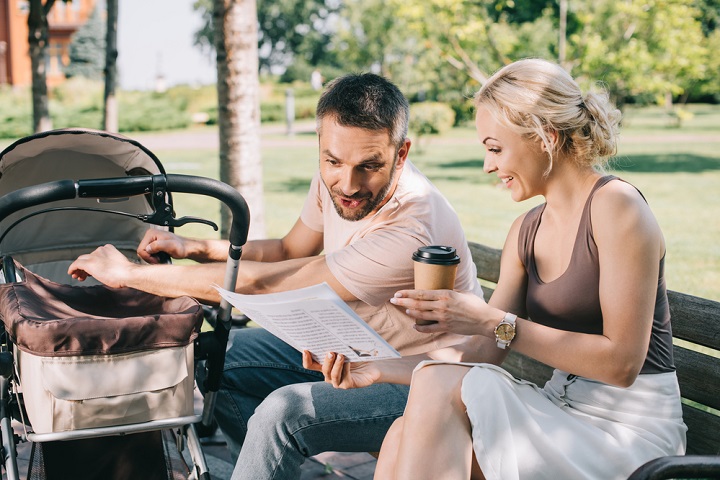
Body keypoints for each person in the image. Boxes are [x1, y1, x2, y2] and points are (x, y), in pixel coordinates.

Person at [68, 73, 483, 479]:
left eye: (369, 166)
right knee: (216, 359)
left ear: (402, 153)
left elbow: (270, 281)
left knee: (282, 414)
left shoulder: (411, 228)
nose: (349, 184)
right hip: (351, 348)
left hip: (424, 380)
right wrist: (195, 247)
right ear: (321, 145)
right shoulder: (335, 182)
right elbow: (288, 251)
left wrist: (128, 274)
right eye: (333, 161)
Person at [306, 58, 687, 479]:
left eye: (494, 147)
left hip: (628, 432)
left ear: (544, 136)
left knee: (424, 412)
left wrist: (493, 321)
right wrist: (377, 368)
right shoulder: (526, 230)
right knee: (401, 434)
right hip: (562, 410)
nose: (488, 165)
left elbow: (621, 364)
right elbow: (485, 351)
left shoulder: (617, 208)